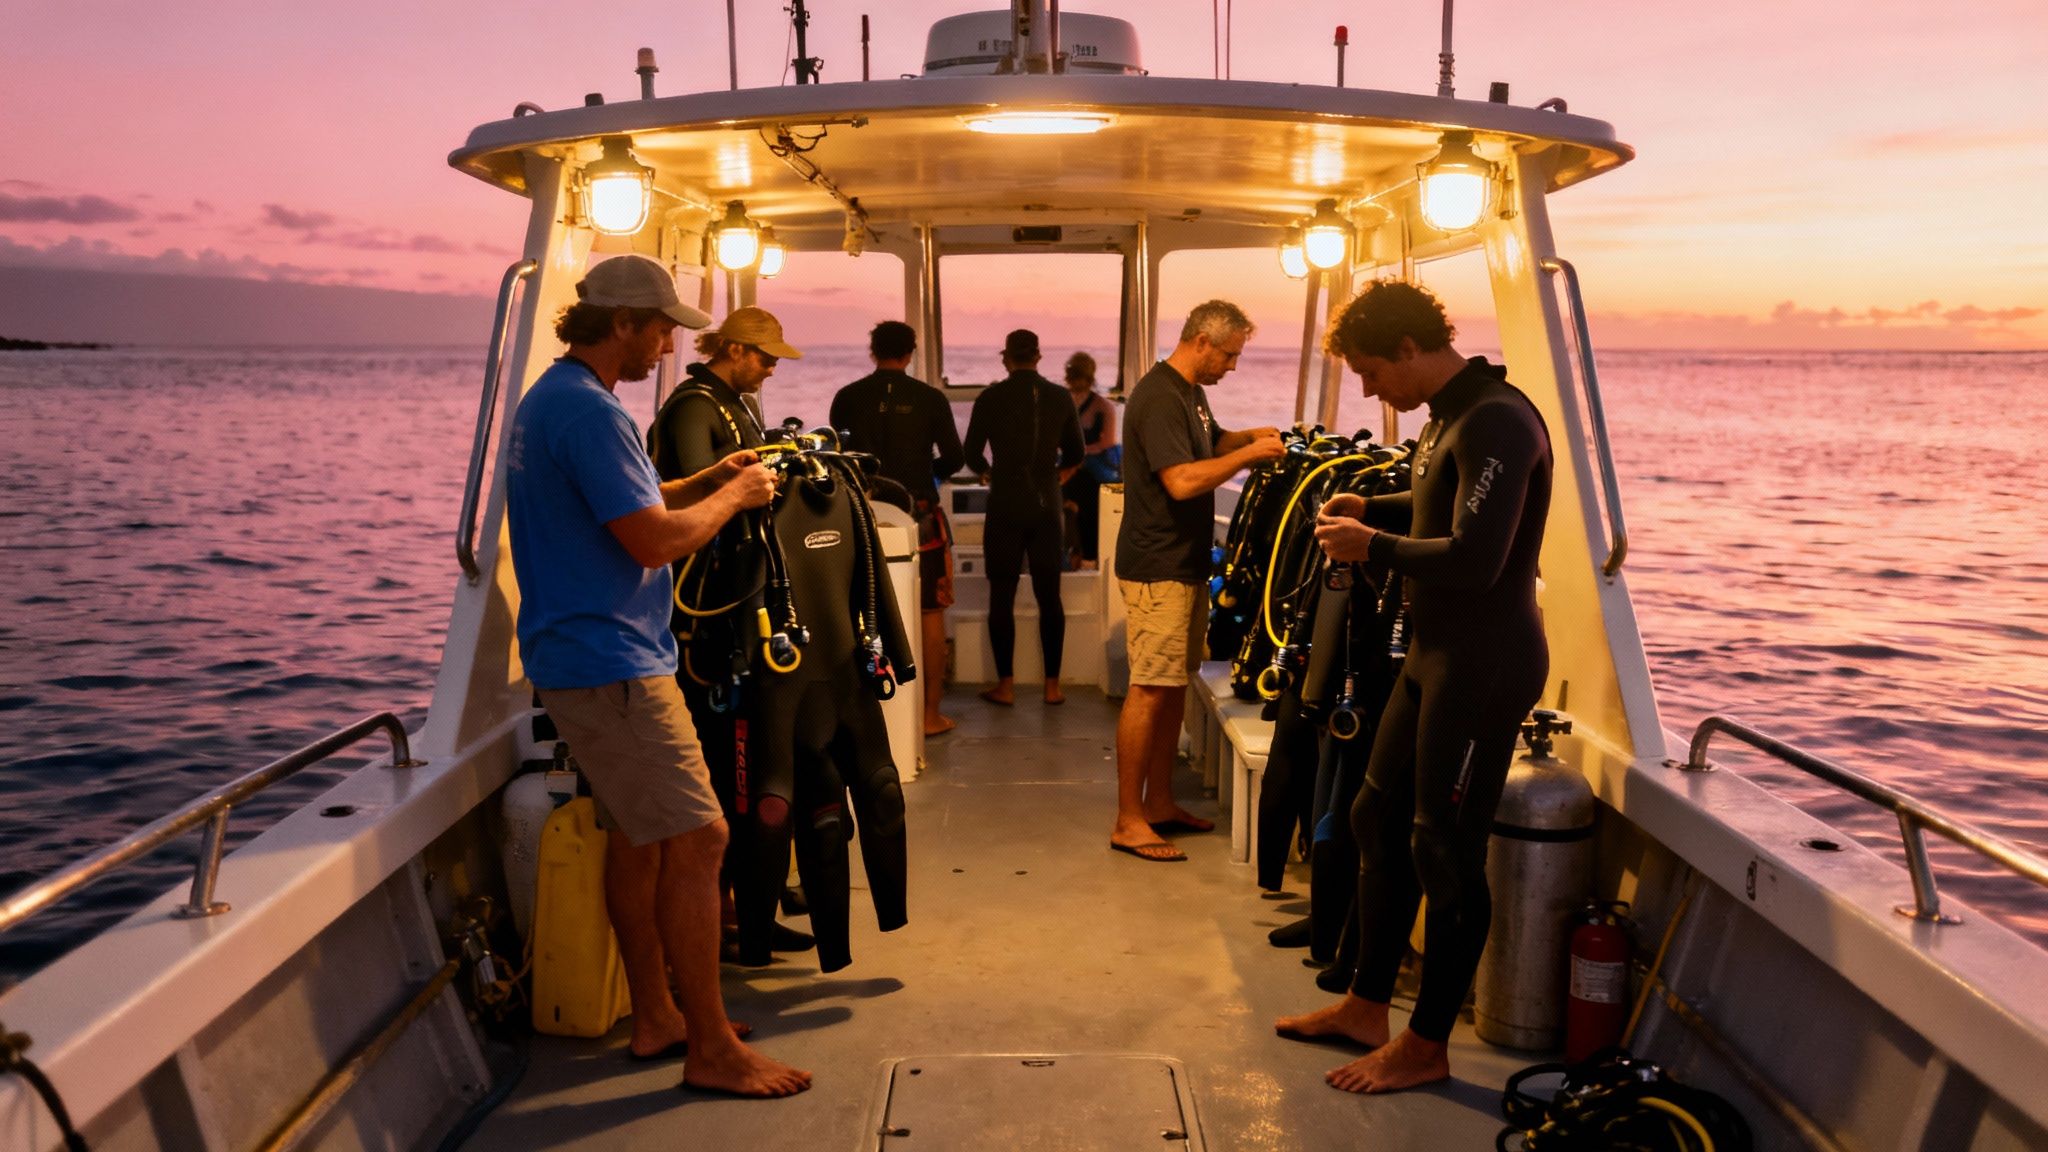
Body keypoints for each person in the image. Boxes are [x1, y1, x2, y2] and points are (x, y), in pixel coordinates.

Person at [504, 255, 809, 1097]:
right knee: (701, 837)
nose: (673, 342)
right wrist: (735, 498)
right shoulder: (593, 412)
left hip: (580, 659)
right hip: (613, 666)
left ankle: (657, 1017)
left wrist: (698, 479)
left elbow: (627, 505)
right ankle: (710, 1047)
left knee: (641, 841)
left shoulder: (556, 400)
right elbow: (655, 542)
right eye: (662, 325)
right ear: (624, 322)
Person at [1274, 280, 1552, 1094]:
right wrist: (1378, 503)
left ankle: (1427, 1044)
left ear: (1408, 348)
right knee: (1373, 815)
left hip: (1484, 662)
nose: (1368, 392)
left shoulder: (1497, 417)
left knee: (1445, 848)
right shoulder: (1447, 420)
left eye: (1369, 372)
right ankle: (1366, 1005)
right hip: (1433, 654)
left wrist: (1372, 544)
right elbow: (1439, 498)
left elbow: (1475, 557)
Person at [1112, 301, 1284, 861]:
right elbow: (1183, 480)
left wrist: (1242, 439)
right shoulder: (1160, 395)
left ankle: (1159, 802)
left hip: (1185, 565)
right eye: (1229, 355)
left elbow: (1203, 448)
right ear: (1203, 342)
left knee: (1173, 687)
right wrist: (1248, 458)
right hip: (1157, 566)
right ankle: (1128, 819)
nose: (1232, 367)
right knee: (1149, 688)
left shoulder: (1190, 393)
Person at [830, 320, 967, 736]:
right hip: (918, 510)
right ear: (910, 353)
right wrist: (929, 476)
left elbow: (838, 455)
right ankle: (928, 716)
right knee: (929, 612)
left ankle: (873, 714)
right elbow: (956, 457)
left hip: (863, 511)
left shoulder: (848, 397)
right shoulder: (929, 398)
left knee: (860, 609)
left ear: (873, 351)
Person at [962, 329, 1084, 706]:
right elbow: (1076, 451)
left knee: (1002, 594)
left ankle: (1007, 685)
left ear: (1006, 358)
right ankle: (1052, 687)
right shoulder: (1060, 396)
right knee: (1051, 597)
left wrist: (987, 473)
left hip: (1006, 502)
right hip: (1048, 502)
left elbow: (971, 452)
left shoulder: (991, 397)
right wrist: (1056, 476)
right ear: (1039, 357)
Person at [1060, 351, 1118, 569]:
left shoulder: (1104, 407)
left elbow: (1108, 442)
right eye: (1072, 377)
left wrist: (1080, 454)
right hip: (1067, 464)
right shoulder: (1062, 403)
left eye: (1078, 377)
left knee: (1088, 497)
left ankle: (1088, 555)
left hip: (1092, 467)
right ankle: (1065, 554)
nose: (1074, 382)